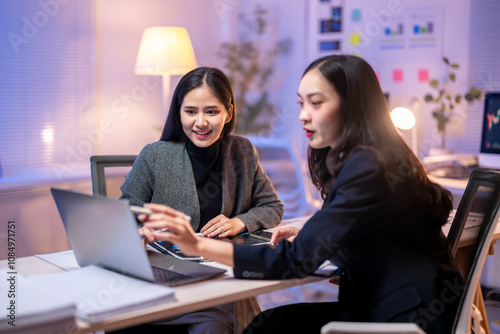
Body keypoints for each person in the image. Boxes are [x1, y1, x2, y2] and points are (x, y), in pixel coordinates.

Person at [139, 55, 464, 334]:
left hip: (404, 317)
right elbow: (367, 231)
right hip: (406, 302)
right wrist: (313, 234)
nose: (303, 114)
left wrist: (196, 245)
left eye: (316, 103)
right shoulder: (376, 156)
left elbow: (295, 261)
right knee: (267, 324)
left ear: (353, 107)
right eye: (301, 103)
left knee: (266, 327)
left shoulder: (368, 165)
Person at [117, 66, 284, 334]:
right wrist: (139, 231)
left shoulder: (242, 151)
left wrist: (239, 222)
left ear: (228, 112)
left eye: (212, 111)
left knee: (218, 318)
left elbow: (272, 207)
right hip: (169, 278)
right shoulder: (155, 155)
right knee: (219, 319)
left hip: (219, 275)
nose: (201, 122)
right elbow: (123, 213)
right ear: (178, 111)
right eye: (191, 111)